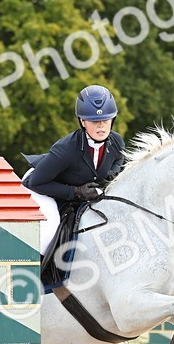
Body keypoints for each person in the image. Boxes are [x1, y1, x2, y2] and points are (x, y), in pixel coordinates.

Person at [23, 85, 126, 253]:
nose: (101, 126)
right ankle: (41, 275)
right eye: (94, 121)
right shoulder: (66, 148)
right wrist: (77, 192)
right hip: (41, 187)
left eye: (106, 120)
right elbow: (35, 183)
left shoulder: (116, 142)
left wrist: (112, 174)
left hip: (70, 187)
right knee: (51, 229)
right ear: (83, 121)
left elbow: (120, 159)